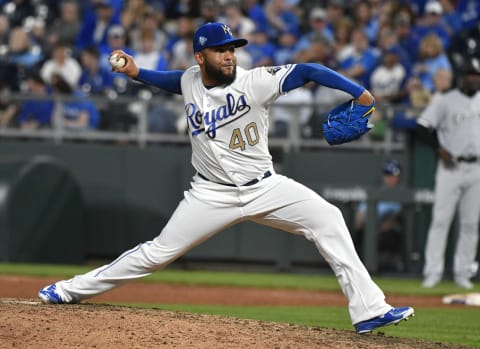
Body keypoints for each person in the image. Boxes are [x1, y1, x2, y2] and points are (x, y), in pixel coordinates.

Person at [38, 22, 414, 334]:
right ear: (201, 57)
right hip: (209, 195)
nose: (230, 54)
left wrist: (360, 93)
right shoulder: (189, 79)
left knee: (328, 218)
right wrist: (136, 73)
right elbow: (175, 80)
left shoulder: (255, 82)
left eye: (232, 48)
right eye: (221, 50)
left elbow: (308, 70)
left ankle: (368, 310)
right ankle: (70, 290)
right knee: (156, 254)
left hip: (266, 187)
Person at [417, 57, 480, 289]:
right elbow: (422, 126)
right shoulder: (445, 100)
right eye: (469, 75)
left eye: (476, 75)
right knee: (441, 220)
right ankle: (432, 273)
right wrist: (438, 149)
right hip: (450, 167)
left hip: (477, 168)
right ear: (461, 78)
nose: (473, 79)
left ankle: (463, 274)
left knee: (471, 223)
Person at [353, 160, 405, 272]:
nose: (390, 178)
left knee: (388, 229)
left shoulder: (401, 193)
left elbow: (394, 218)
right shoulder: (376, 191)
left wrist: (375, 229)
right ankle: (357, 267)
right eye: (388, 175)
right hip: (370, 228)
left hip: (388, 231)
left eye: (393, 175)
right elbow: (360, 215)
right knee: (357, 231)